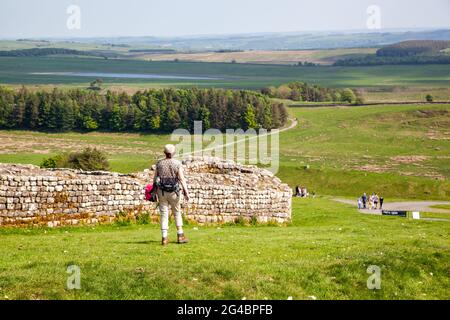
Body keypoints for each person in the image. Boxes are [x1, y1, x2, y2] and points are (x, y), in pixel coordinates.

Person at [153, 144, 190, 246]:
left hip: (162, 191)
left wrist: (154, 191)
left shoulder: (159, 164)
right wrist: (186, 192)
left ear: (164, 153)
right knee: (177, 212)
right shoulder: (177, 163)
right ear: (173, 153)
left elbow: (155, 178)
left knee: (164, 214)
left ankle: (164, 238)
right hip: (174, 192)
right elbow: (182, 179)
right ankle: (180, 235)